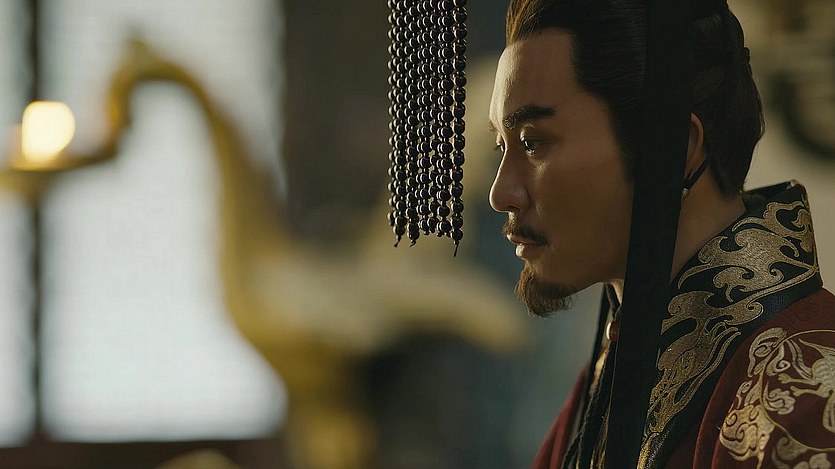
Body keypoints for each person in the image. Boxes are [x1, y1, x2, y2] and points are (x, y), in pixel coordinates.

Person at [487, 0, 835, 467]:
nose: (501, 194)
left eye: (532, 142)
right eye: (501, 146)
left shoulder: (808, 394)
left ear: (670, 149)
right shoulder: (607, 383)